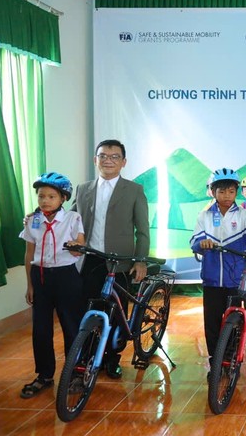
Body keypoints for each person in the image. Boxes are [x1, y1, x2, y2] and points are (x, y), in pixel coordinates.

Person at [190, 168, 246, 377]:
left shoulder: (243, 216)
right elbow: (194, 241)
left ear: (236, 192)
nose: (226, 196)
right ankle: (216, 361)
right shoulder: (204, 216)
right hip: (212, 280)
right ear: (213, 192)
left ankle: (230, 357)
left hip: (235, 279)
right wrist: (201, 244)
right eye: (221, 191)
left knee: (234, 321)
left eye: (231, 191)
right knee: (212, 324)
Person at [72, 139, 150, 379]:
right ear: (96, 160)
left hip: (121, 263)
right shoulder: (83, 188)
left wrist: (140, 260)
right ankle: (85, 357)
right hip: (92, 260)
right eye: (103, 156)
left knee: (116, 311)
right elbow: (71, 219)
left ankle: (112, 359)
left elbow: (142, 229)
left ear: (123, 162)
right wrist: (36, 218)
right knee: (87, 310)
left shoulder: (134, 190)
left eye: (115, 156)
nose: (108, 160)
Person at [18, 172, 85, 398]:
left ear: (63, 198)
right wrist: (30, 285)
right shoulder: (33, 220)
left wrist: (75, 245)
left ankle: (75, 373)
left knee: (71, 326)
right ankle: (44, 375)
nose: (45, 201)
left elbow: (80, 247)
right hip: (41, 277)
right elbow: (29, 254)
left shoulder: (73, 218)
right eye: (41, 196)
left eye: (51, 196)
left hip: (66, 278)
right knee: (41, 329)